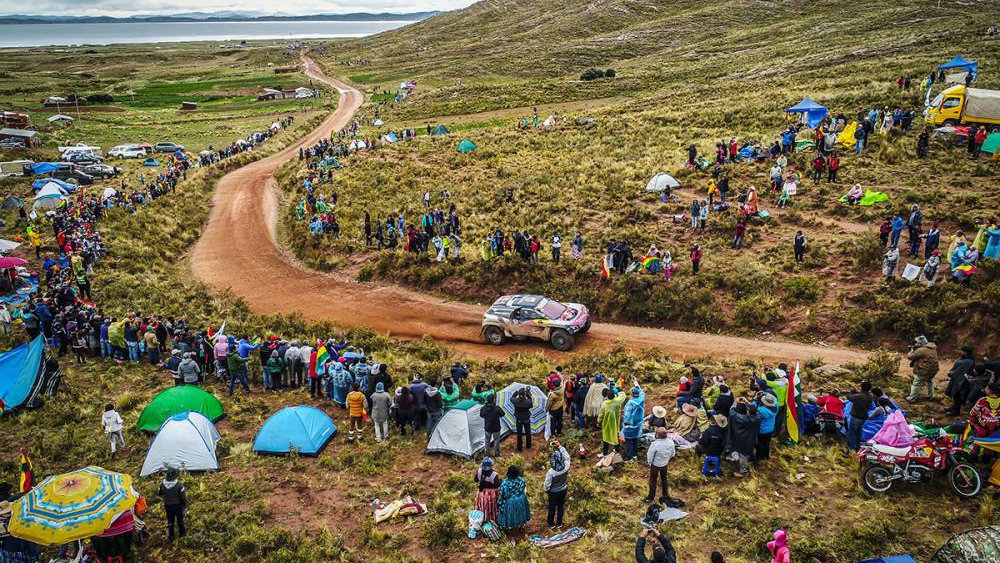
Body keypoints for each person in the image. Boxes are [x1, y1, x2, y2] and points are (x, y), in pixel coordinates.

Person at [643, 427, 676, 504]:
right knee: (664, 479)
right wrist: (666, 459)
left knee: (653, 481)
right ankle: (665, 495)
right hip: (664, 464)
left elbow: (650, 456)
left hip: (655, 465)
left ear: (657, 435)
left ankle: (650, 497)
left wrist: (650, 463)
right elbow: (673, 454)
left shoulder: (655, 444)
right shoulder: (670, 442)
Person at [727, 400, 759, 476]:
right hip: (751, 438)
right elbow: (754, 410)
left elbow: (731, 412)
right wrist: (746, 402)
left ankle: (743, 471)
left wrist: (735, 403)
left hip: (741, 439)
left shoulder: (740, 418)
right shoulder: (757, 417)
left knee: (743, 456)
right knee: (747, 453)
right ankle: (749, 460)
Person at [543, 440, 570, 529]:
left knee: (552, 508)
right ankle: (559, 523)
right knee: (560, 507)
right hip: (563, 490)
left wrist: (546, 490)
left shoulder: (551, 472)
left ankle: (551, 524)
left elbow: (547, 484)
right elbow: (567, 456)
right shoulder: (566, 466)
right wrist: (560, 446)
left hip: (553, 492)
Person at [906, 335, 939, 402]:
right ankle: (930, 396)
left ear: (921, 343)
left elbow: (910, 357)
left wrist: (912, 350)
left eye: (918, 343)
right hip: (934, 369)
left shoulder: (921, 350)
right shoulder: (932, 347)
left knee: (916, 383)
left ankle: (912, 399)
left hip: (925, 370)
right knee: (930, 381)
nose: (916, 344)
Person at [496, 465, 530, 530]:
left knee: (509, 514)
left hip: (509, 500)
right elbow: (523, 490)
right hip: (520, 499)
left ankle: (508, 527)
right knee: (520, 513)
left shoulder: (505, 482)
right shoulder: (521, 480)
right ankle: (521, 525)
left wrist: (500, 501)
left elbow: (502, 493)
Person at [158, 467, 187, 541]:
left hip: (168, 505)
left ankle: (171, 536)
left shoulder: (162, 484)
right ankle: (182, 534)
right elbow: (183, 496)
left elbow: (159, 493)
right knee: (180, 520)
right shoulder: (179, 484)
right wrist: (185, 504)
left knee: (170, 521)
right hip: (178, 505)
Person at [945, 346, 976, 416]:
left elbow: (961, 371)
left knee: (958, 396)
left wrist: (951, 373)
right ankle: (953, 407)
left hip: (962, 381)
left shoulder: (968, 361)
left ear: (965, 352)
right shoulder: (964, 358)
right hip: (957, 380)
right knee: (955, 396)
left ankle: (956, 411)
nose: (960, 352)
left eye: (961, 351)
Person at [599, 387, 627, 455]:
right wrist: (619, 391)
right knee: (615, 436)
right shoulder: (618, 401)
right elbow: (623, 395)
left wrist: (598, 422)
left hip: (606, 424)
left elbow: (601, 415)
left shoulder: (604, 404)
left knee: (605, 437)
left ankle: (605, 453)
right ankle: (617, 450)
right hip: (615, 424)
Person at [847, 382, 874, 451]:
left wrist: (852, 392)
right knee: (858, 434)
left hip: (856, 416)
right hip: (863, 417)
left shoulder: (859, 396)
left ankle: (850, 449)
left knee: (852, 433)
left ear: (862, 388)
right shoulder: (870, 396)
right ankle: (857, 447)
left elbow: (850, 398)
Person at [474, 457, 501, 523]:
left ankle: (482, 518)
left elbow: (475, 480)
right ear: (491, 466)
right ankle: (491, 518)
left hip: (481, 492)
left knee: (482, 505)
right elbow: (497, 485)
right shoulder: (494, 475)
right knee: (490, 507)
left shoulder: (479, 471)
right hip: (490, 495)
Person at [623, 385, 646, 461]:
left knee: (629, 441)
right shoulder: (641, 399)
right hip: (638, 424)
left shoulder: (631, 403)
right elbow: (642, 393)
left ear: (631, 394)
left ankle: (629, 458)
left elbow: (627, 414)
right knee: (636, 440)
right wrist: (637, 384)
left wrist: (625, 423)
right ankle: (635, 455)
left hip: (630, 424)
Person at [755, 393, 777, 461]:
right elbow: (774, 398)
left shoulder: (762, 410)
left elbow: (755, 412)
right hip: (770, 428)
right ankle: (766, 456)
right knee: (767, 443)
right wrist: (765, 393)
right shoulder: (776, 406)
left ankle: (759, 457)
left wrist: (755, 400)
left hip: (762, 430)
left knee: (760, 443)